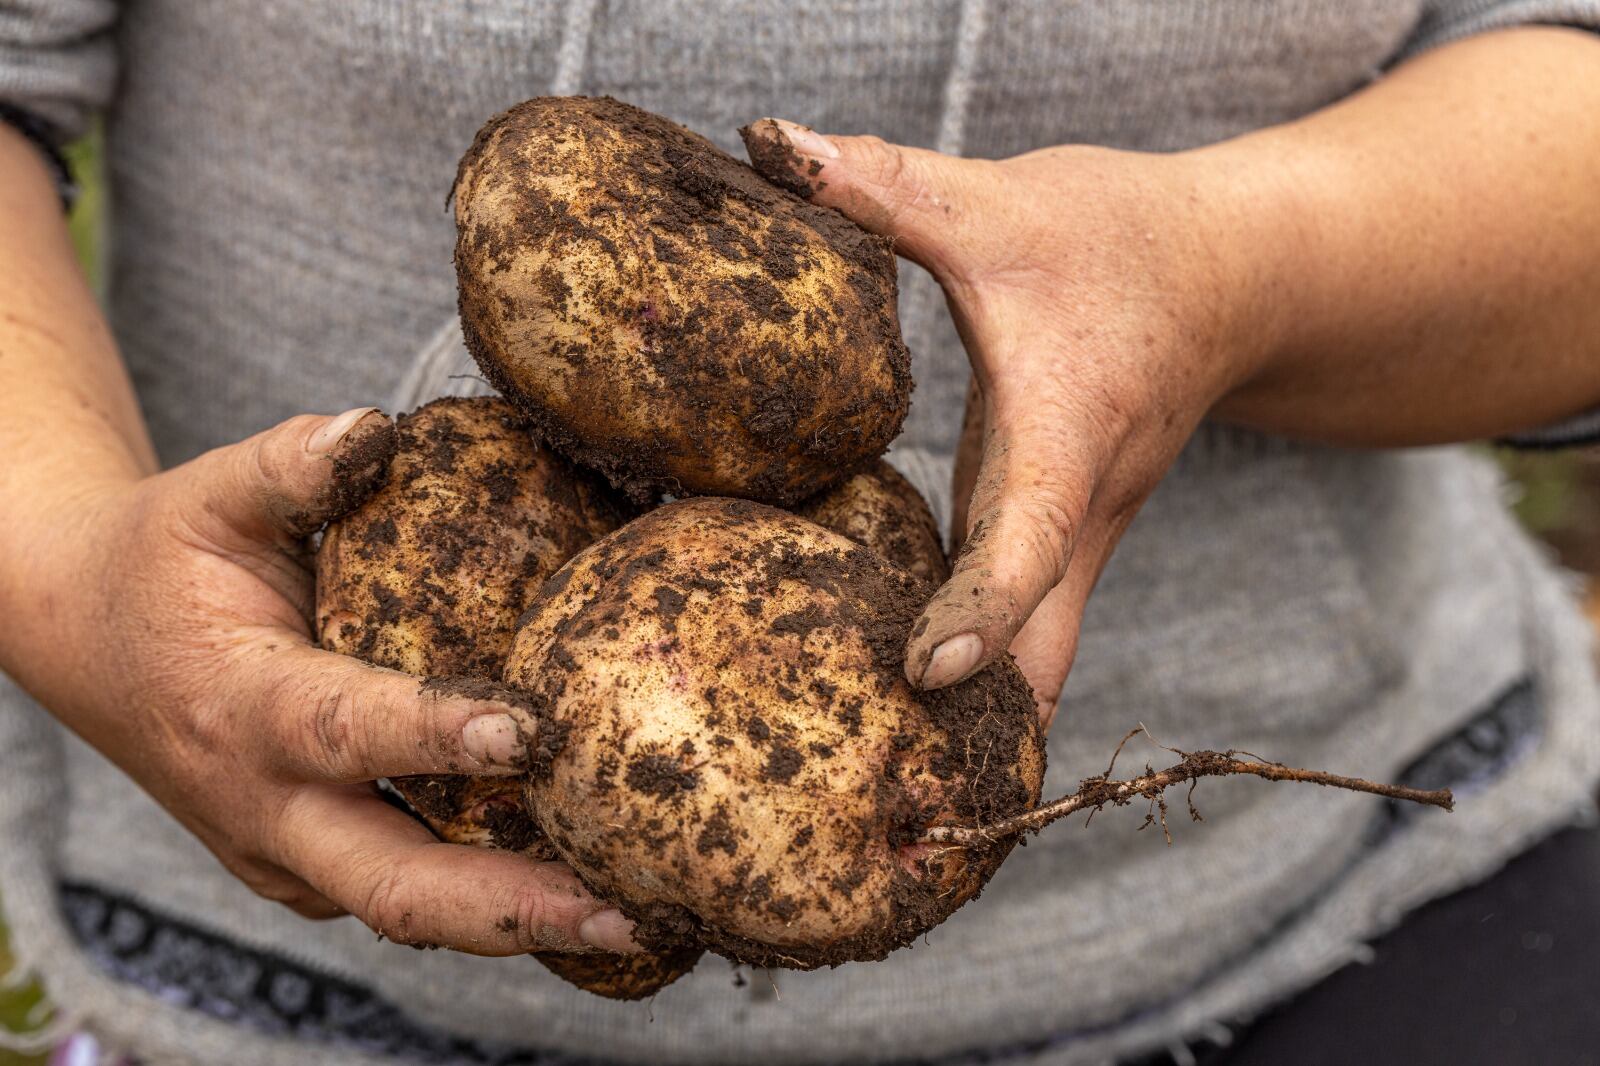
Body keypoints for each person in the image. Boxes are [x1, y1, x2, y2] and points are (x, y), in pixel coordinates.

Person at [2, 2, 1598, 1064]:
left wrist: (1236, 272)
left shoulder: (830, 503)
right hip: (251, 977)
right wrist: (71, 567)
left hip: (1354, 922)